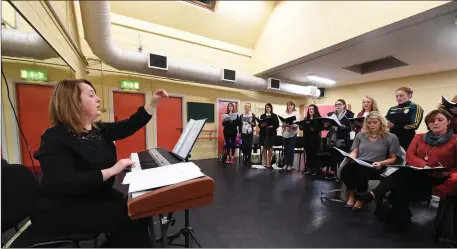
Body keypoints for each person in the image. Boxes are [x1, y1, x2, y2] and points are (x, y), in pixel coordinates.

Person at [30, 79, 168, 247]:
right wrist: (112, 170)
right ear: (73, 102)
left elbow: (130, 124)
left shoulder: (99, 130)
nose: (98, 99)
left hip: (96, 195)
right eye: (91, 94)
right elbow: (65, 183)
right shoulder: (54, 137)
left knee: (139, 209)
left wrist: (153, 103)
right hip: (63, 207)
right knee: (131, 217)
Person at [355, 109, 457, 231]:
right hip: (420, 173)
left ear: (448, 122)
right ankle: (401, 217)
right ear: (428, 124)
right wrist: (424, 165)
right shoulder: (420, 137)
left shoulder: (455, 140)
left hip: (441, 178)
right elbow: (410, 155)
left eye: (440, 120)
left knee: (400, 180)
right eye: (431, 121)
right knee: (401, 176)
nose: (435, 123)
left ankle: (377, 197)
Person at [340, 111, 401, 211]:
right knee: (345, 170)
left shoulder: (391, 137)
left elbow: (393, 158)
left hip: (377, 165)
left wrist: (381, 163)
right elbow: (355, 150)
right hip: (360, 161)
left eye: (374, 122)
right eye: (369, 123)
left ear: (381, 123)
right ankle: (352, 195)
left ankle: (360, 199)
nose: (371, 125)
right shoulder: (360, 135)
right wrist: (351, 157)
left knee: (362, 172)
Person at [323, 99, 354, 175]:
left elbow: (350, 126)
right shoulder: (331, 114)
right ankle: (333, 171)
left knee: (342, 155)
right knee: (333, 154)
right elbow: (327, 128)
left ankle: (341, 172)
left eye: (339, 104)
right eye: (336, 105)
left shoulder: (349, 114)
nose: (338, 106)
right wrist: (326, 125)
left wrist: (341, 125)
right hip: (333, 138)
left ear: (344, 105)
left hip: (344, 138)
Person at [299, 104, 323, 175]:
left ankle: (315, 169)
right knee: (308, 154)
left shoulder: (319, 119)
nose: (311, 110)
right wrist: (301, 126)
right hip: (307, 139)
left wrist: (314, 129)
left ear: (315, 110)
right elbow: (301, 127)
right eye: (309, 109)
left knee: (315, 154)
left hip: (315, 139)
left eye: (312, 109)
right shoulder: (306, 119)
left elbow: (321, 127)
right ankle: (308, 168)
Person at [280, 100, 300, 171]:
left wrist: (290, 125)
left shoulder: (296, 113)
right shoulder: (284, 113)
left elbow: (297, 124)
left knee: (290, 150)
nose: (290, 106)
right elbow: (280, 122)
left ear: (293, 106)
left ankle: (290, 165)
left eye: (291, 105)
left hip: (292, 134)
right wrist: (283, 124)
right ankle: (285, 164)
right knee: (285, 149)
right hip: (285, 134)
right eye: (288, 105)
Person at [258, 103, 279, 169]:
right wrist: (261, 125)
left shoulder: (274, 115)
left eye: (269, 107)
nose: (268, 108)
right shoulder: (262, 115)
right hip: (264, 133)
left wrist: (272, 126)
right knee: (264, 147)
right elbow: (259, 124)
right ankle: (265, 161)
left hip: (271, 133)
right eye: (267, 107)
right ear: (265, 108)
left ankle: (269, 162)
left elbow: (277, 124)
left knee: (270, 147)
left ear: (271, 108)